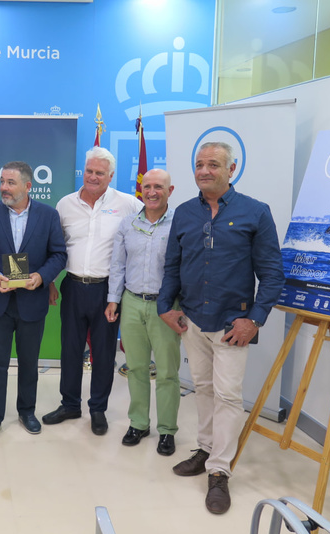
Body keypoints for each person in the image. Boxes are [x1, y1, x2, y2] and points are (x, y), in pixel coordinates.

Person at [157, 142, 284, 515]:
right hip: (193, 320)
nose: (204, 170)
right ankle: (206, 448)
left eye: (213, 164)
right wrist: (166, 306)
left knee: (228, 397)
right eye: (199, 164)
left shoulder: (255, 213)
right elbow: (172, 267)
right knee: (204, 390)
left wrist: (255, 319)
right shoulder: (182, 213)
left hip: (233, 324)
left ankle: (218, 473)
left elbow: (272, 275)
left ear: (232, 168)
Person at [43, 146, 142, 435]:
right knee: (70, 349)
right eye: (89, 171)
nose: (93, 176)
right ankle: (70, 404)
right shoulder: (65, 204)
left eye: (100, 172)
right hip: (72, 286)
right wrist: (50, 281)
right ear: (83, 171)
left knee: (103, 352)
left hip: (108, 292)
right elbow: (54, 248)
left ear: (111, 175)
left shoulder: (128, 204)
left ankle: (97, 409)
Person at [0, 161, 67, 444]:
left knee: (28, 362)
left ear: (28, 186)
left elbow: (59, 254)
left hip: (32, 301)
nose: (3, 188)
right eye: (2, 182)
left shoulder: (48, 216)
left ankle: (27, 412)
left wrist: (42, 276)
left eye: (10, 183)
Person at [104, 169, 180, 456]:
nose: (151, 192)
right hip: (132, 302)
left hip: (166, 306)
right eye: (146, 186)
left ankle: (167, 431)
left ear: (169, 191)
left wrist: (181, 305)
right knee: (135, 368)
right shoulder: (128, 224)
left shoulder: (180, 224)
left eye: (158, 187)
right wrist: (113, 300)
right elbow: (117, 266)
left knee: (167, 373)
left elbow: (186, 268)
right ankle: (138, 423)